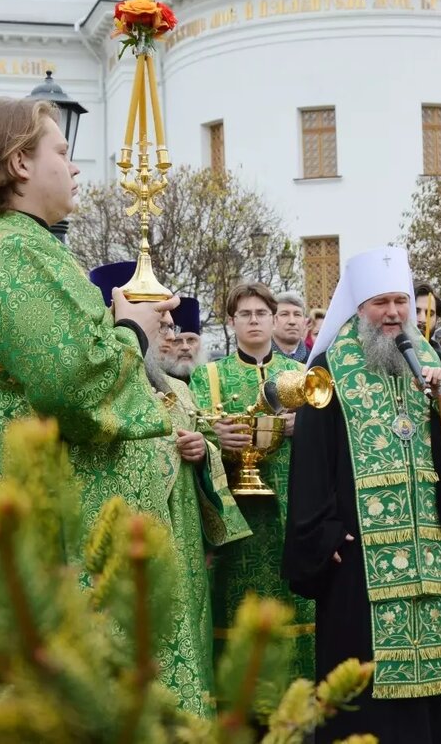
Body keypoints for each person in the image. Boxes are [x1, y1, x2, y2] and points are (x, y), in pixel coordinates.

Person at [0, 98, 176, 521]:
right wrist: (133, 330)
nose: (74, 168)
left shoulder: (2, 240)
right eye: (62, 153)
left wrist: (114, 322)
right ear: (20, 163)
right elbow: (74, 389)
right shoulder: (15, 249)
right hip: (48, 521)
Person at [282, 246, 441, 743]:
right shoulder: (329, 368)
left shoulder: (430, 359)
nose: (392, 313)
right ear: (359, 307)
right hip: (357, 559)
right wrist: (324, 533)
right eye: (380, 303)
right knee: (362, 688)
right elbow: (310, 459)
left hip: (424, 554)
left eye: (400, 301)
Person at [85, 270, 250, 718]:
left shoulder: (176, 389)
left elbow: (207, 443)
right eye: (159, 324)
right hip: (129, 534)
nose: (169, 335)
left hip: (183, 538)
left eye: (169, 325)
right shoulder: (101, 390)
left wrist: (202, 451)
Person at [188, 282, 315, 681]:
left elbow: (331, 438)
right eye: (245, 314)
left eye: (261, 313)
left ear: (274, 319)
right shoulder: (208, 376)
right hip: (236, 520)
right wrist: (216, 438)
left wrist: (304, 427)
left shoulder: (301, 375)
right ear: (232, 321)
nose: (254, 321)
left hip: (292, 511)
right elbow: (191, 432)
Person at [273, 290, 310, 363]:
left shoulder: (315, 363)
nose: (292, 321)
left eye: (297, 314)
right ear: (272, 320)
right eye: (284, 314)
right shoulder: (256, 360)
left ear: (304, 322)